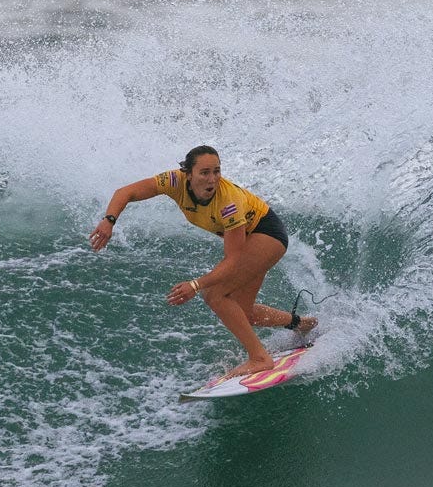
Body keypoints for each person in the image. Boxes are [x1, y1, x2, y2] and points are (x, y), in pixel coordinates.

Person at [89, 145, 316, 378]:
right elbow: (125, 192)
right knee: (243, 313)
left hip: (267, 235)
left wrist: (196, 285)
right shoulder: (174, 182)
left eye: (216, 171)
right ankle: (302, 323)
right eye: (205, 172)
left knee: (214, 294)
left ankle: (259, 358)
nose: (212, 179)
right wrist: (109, 221)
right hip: (252, 238)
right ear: (188, 174)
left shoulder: (229, 202)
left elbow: (234, 259)